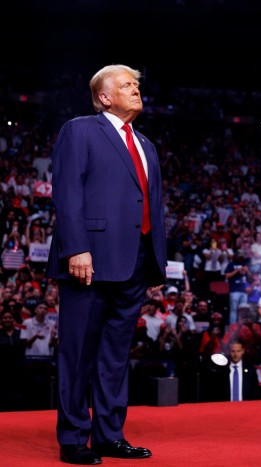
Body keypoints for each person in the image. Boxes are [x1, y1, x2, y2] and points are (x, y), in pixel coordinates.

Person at [47, 64, 167, 464]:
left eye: (136, 84)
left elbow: (150, 207)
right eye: (126, 85)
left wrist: (154, 263)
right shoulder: (79, 130)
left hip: (134, 263)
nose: (135, 89)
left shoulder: (146, 144)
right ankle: (73, 439)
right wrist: (76, 248)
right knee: (78, 352)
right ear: (104, 96)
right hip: (90, 260)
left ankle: (109, 436)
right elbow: (66, 192)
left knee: (115, 356)